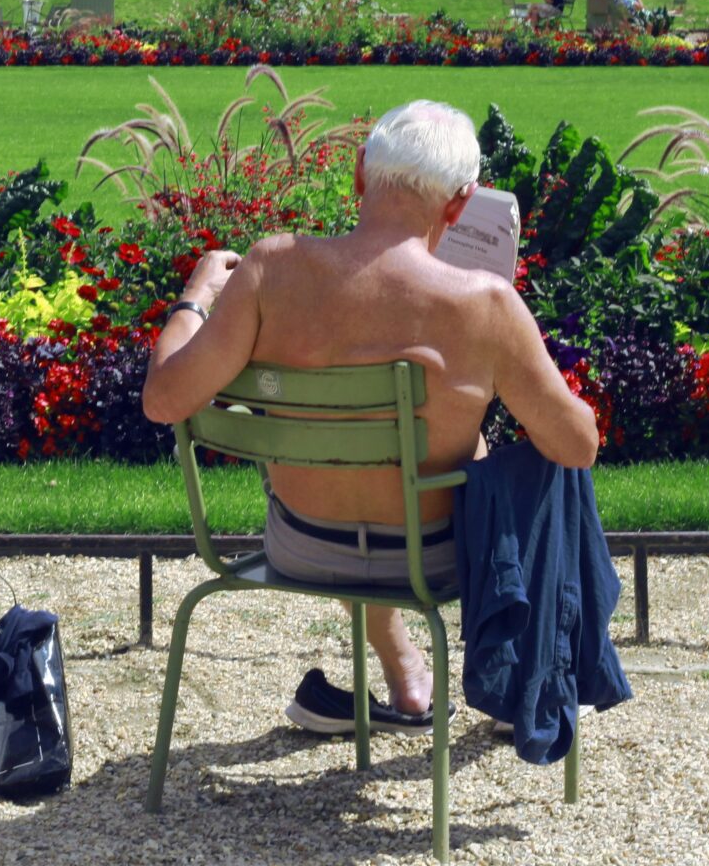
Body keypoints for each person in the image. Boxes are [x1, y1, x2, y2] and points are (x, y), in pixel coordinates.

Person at [141, 101, 600, 737]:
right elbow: (578, 446)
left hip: (301, 544)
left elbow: (164, 399)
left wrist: (195, 297)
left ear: (360, 173)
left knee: (361, 458)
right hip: (432, 561)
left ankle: (407, 674)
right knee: (522, 464)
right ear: (460, 204)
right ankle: (524, 679)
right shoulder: (486, 304)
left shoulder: (270, 268)